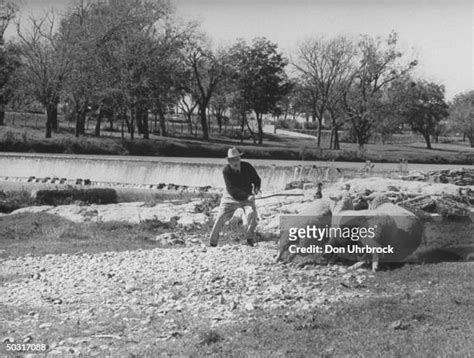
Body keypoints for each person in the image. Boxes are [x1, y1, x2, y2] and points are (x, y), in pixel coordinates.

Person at [209, 147, 261, 247]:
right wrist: (247, 196)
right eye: (233, 160)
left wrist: (256, 189)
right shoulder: (226, 171)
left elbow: (256, 179)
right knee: (220, 217)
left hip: (247, 197)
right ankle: (213, 242)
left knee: (252, 214)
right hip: (230, 197)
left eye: (237, 159)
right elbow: (232, 189)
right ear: (229, 161)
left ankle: (250, 238)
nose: (235, 161)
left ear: (240, 158)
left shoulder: (247, 166)